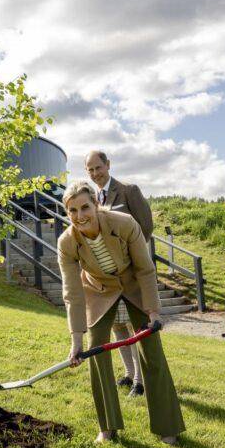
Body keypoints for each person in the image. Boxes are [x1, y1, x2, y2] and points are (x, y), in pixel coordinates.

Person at [58, 180, 185, 445]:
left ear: (96, 204)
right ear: (67, 213)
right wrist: (76, 341)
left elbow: (145, 269)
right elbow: (72, 293)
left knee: (152, 351)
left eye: (85, 207)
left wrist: (153, 312)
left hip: (134, 284)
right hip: (100, 290)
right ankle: (107, 427)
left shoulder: (124, 223)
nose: (80, 216)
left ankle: (167, 426)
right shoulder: (67, 242)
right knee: (95, 350)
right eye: (72, 211)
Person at [84, 149, 152, 396]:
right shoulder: (91, 198)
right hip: (107, 279)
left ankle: (141, 380)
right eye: (90, 170)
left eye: (98, 168)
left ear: (108, 165)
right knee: (117, 327)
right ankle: (129, 373)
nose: (95, 173)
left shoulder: (128, 191)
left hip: (130, 274)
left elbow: (145, 227)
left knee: (135, 328)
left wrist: (132, 259)